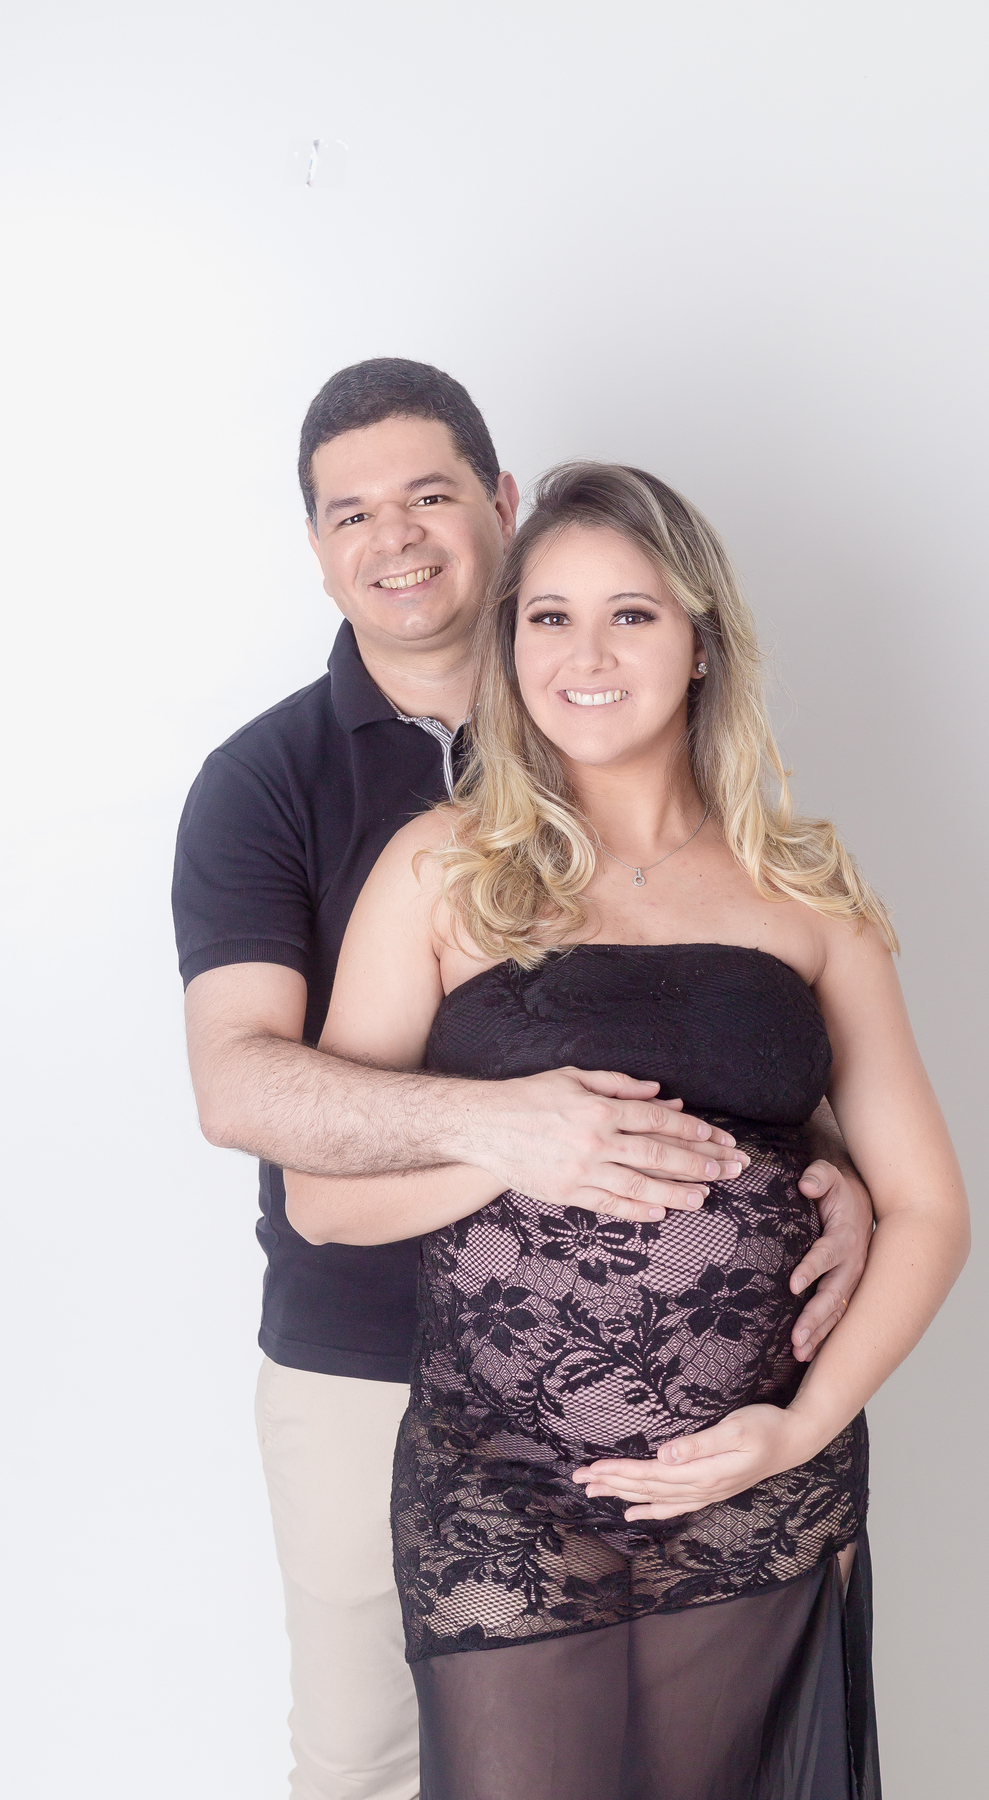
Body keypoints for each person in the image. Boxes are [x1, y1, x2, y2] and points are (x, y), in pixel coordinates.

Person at [173, 361, 877, 1800]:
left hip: (700, 1415)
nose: (395, 536)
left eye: (429, 494)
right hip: (378, 1354)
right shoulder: (275, 786)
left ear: (497, 504)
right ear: (316, 547)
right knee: (369, 1758)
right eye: (351, 512)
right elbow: (241, 1087)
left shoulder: (667, 780)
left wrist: (831, 1170)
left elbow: (718, 1045)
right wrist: (504, 1133)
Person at [285, 462, 971, 1798]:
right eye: (548, 617)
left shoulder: (805, 889)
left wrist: (802, 1429)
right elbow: (324, 1197)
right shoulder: (439, 868)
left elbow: (930, 1208)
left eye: (632, 616)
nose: (585, 656)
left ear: (702, 642)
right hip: (500, 1476)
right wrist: (510, 1142)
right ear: (510, 647)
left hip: (748, 1475)